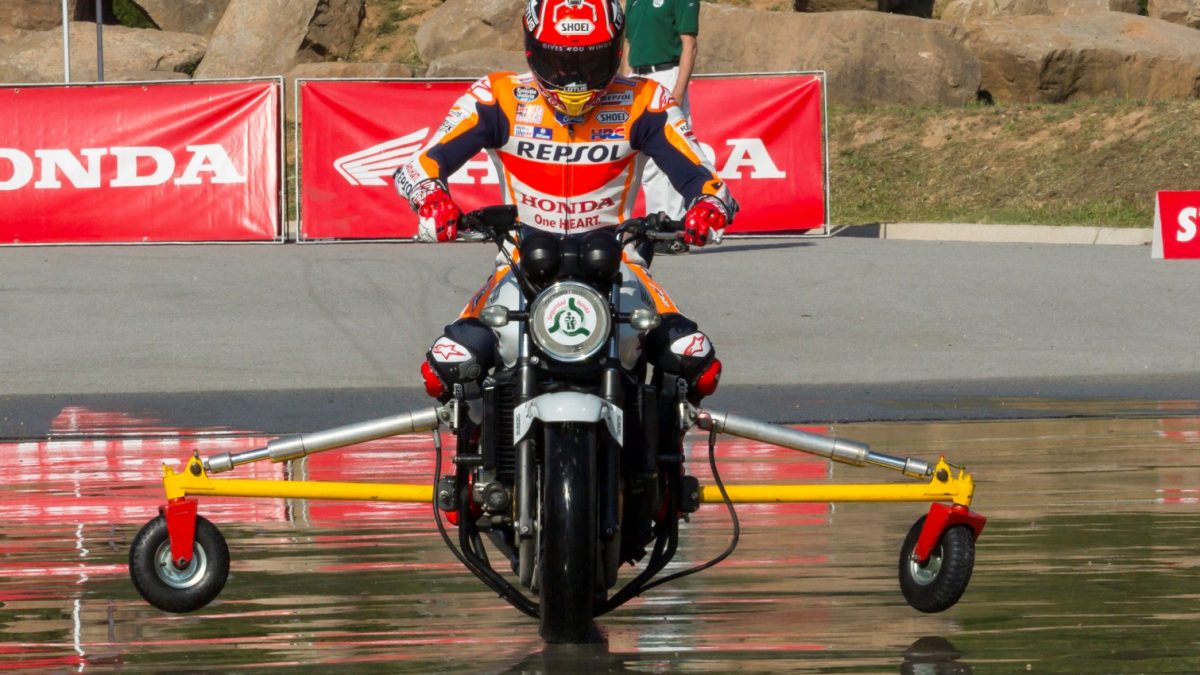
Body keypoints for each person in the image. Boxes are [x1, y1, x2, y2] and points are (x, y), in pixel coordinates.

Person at [393, 0, 735, 405]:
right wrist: (432, 198)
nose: (574, 78)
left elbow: (705, 178)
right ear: (531, 50)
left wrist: (708, 206)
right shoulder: (496, 95)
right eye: (559, 62)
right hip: (520, 261)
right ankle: (474, 434)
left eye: (590, 61)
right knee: (446, 368)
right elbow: (419, 165)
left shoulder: (647, 99)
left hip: (619, 262)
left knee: (694, 362)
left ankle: (666, 434)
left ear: (616, 51)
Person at [621, 0, 701, 254]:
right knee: (643, 158)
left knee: (672, 152)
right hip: (638, 78)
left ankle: (674, 230)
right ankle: (654, 227)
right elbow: (628, 44)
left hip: (667, 73)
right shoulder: (633, 1)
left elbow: (689, 44)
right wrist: (624, 84)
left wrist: (678, 90)